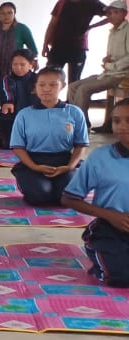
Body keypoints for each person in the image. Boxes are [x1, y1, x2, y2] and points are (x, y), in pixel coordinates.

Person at [63, 98, 129, 286]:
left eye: (128, 120)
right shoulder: (101, 157)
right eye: (116, 121)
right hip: (112, 229)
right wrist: (110, 215)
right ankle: (103, 260)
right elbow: (69, 198)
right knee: (121, 277)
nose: (122, 126)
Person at [10, 67, 89, 205]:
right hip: (33, 162)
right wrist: (34, 167)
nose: (46, 89)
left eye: (53, 85)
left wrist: (70, 166)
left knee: (67, 198)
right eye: (41, 85)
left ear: (62, 86)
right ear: (35, 87)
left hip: (64, 162)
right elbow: (18, 147)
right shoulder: (24, 114)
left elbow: (80, 144)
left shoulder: (75, 112)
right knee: (40, 195)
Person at [67, 0, 128, 132]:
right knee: (72, 87)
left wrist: (111, 65)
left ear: (124, 14)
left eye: (115, 12)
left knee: (83, 89)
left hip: (120, 74)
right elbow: (113, 55)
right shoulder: (113, 31)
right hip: (108, 73)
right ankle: (79, 120)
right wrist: (107, 60)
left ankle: (81, 127)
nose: (111, 15)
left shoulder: (127, 30)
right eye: (110, 13)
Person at [43, 0, 107, 85]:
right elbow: (52, 24)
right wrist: (45, 44)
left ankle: (71, 102)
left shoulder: (92, 3)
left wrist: (92, 26)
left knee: (74, 81)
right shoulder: (62, 2)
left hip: (78, 48)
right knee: (50, 77)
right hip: (58, 46)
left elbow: (112, 15)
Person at [0, 1, 38, 109]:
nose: (6, 16)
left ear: (14, 13)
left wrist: (31, 62)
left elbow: (33, 49)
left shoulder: (22, 29)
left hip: (16, 68)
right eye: (3, 13)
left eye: (9, 13)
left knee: (16, 94)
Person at [0, 49, 39, 148]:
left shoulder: (38, 79)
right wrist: (8, 102)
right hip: (14, 116)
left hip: (34, 116)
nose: (18, 68)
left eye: (22, 64)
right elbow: (7, 94)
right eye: (15, 64)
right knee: (8, 145)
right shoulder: (7, 79)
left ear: (31, 64)